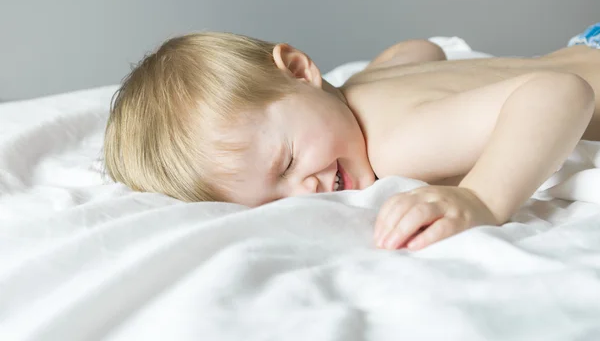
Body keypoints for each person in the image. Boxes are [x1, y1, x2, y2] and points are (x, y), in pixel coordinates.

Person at [104, 23, 600, 251]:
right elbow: (420, 49)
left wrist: (482, 197)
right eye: (273, 198)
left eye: (287, 162)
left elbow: (560, 93)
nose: (305, 188)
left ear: (300, 70)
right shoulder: (358, 85)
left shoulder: (395, 144)